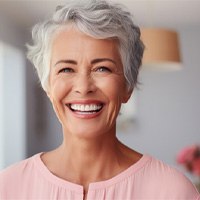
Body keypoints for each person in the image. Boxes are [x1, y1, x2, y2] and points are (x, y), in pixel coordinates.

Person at [0, 0, 199, 199]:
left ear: (128, 86)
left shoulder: (173, 191)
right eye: (66, 69)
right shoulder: (7, 187)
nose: (84, 87)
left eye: (102, 68)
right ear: (48, 86)